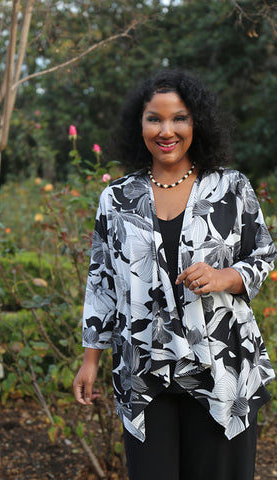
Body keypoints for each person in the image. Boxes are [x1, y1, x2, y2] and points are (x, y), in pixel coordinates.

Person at [73, 69, 276, 480]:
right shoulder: (116, 199)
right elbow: (101, 281)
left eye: (179, 118)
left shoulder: (231, 188)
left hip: (222, 365)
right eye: (155, 118)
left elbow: (264, 254)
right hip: (144, 370)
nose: (167, 130)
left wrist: (225, 277)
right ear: (140, 124)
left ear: (196, 122)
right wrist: (89, 359)